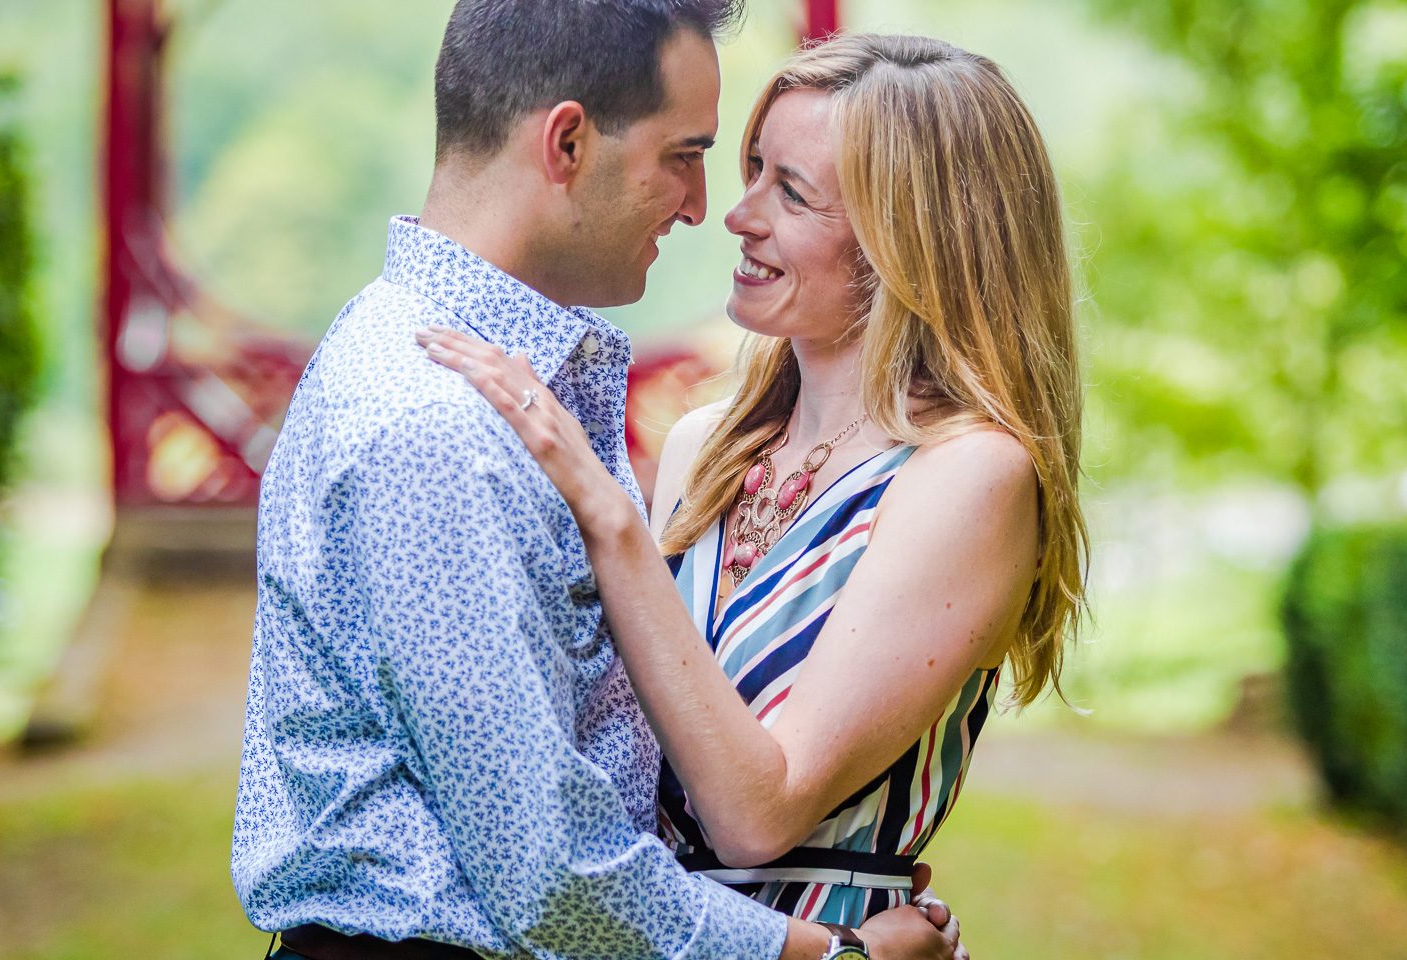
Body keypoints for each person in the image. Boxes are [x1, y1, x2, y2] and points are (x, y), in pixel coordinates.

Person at [232, 3, 958, 959]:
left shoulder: (474, 380)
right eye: (683, 155)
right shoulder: (437, 424)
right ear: (567, 142)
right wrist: (833, 954)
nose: (702, 207)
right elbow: (551, 874)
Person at [419, 31, 1087, 932]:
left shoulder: (970, 475)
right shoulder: (707, 447)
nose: (737, 215)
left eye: (793, 193)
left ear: (910, 241)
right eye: (754, 169)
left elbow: (756, 815)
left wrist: (609, 518)